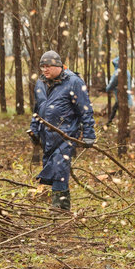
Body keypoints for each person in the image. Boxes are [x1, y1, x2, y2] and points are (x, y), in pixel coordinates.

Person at [29, 50, 97, 211]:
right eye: (42, 66)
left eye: (48, 66)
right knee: (50, 167)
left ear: (58, 66)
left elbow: (85, 109)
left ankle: (59, 209)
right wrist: (34, 129)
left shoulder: (74, 82)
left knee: (59, 168)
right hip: (47, 135)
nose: (45, 70)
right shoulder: (40, 83)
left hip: (67, 134)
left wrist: (89, 134)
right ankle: (59, 204)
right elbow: (37, 108)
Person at [105, 57, 135, 125]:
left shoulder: (117, 73)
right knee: (117, 109)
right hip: (127, 96)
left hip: (121, 96)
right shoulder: (127, 72)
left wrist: (107, 89)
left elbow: (111, 85)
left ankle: (110, 123)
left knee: (117, 109)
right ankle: (111, 123)